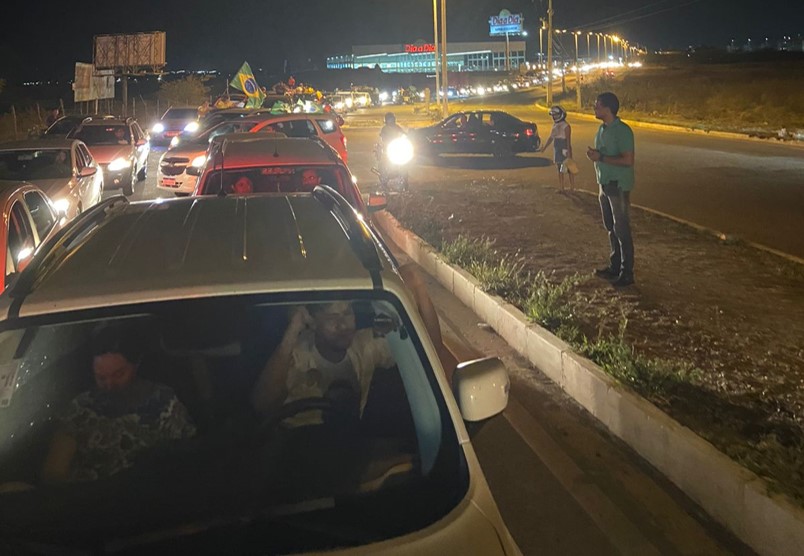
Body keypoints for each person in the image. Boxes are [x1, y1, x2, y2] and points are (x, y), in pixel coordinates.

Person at [41, 323, 196, 484]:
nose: (109, 385)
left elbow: (185, 461)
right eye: (101, 377)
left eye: (118, 374)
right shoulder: (80, 408)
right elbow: (54, 474)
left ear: (136, 365)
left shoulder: (164, 403)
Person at [251, 301, 395, 424]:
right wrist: (293, 329)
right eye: (332, 318)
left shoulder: (366, 345)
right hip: (296, 445)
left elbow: (410, 335)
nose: (343, 325)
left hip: (349, 440)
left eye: (347, 313)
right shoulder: (294, 356)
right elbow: (263, 405)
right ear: (313, 323)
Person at [586, 92, 636, 287]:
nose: (595, 108)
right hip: (604, 183)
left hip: (618, 184)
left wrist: (601, 158)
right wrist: (595, 155)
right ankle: (614, 266)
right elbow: (603, 154)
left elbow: (628, 160)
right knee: (610, 227)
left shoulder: (622, 131)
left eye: (597, 105)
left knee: (622, 229)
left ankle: (626, 272)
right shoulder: (602, 129)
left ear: (608, 108)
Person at [540, 106, 575, 191]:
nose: (554, 117)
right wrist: (544, 147)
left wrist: (568, 151)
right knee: (559, 168)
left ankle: (572, 187)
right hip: (557, 146)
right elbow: (551, 137)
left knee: (569, 167)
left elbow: (568, 139)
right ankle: (561, 187)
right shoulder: (555, 125)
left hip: (564, 146)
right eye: (553, 115)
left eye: (556, 115)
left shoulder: (566, 126)